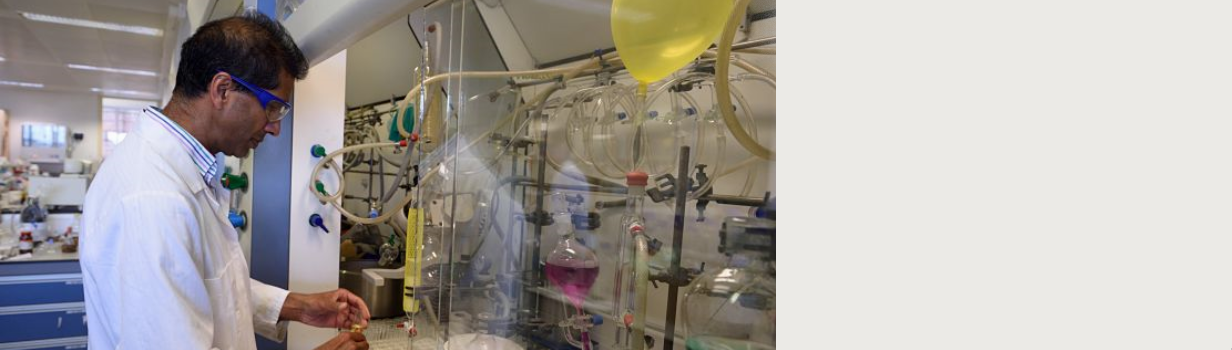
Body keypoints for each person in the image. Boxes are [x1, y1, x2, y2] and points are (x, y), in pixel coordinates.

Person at [80, 10, 370, 350]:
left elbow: (207, 284)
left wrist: (299, 307)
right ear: (222, 90)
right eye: (273, 107)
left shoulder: (181, 171)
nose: (275, 127)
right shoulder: (153, 199)